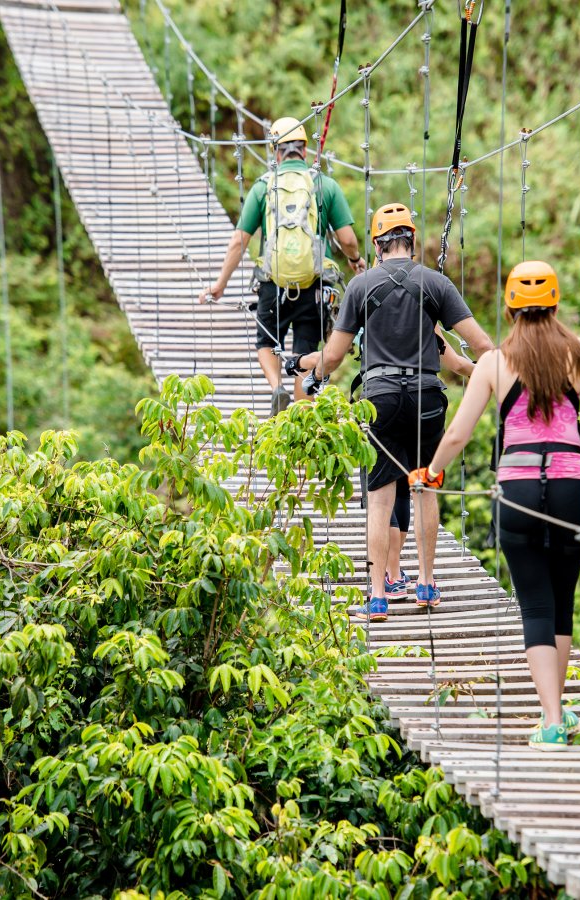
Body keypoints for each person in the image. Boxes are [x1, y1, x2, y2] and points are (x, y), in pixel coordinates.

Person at [411, 260, 580, 750]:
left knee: (535, 604)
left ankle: (551, 717)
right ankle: (559, 712)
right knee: (563, 601)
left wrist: (433, 473)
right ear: (554, 304)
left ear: (510, 307)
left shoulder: (493, 363)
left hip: (518, 490)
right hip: (575, 487)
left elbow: (460, 433)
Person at [289, 201, 493, 620]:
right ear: (412, 242)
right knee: (424, 488)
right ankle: (426, 583)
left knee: (380, 501)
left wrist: (300, 364)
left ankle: (379, 595)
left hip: (378, 399)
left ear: (378, 245)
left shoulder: (360, 286)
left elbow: (332, 359)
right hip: (426, 398)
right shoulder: (436, 284)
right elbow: (485, 346)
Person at [199, 116, 365, 415]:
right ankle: (300, 423)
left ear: (275, 152)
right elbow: (348, 239)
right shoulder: (324, 185)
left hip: (272, 285)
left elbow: (239, 242)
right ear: (305, 150)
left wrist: (220, 285)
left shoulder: (264, 187)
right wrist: (355, 261)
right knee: (305, 353)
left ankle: (276, 387)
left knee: (265, 342)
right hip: (313, 286)